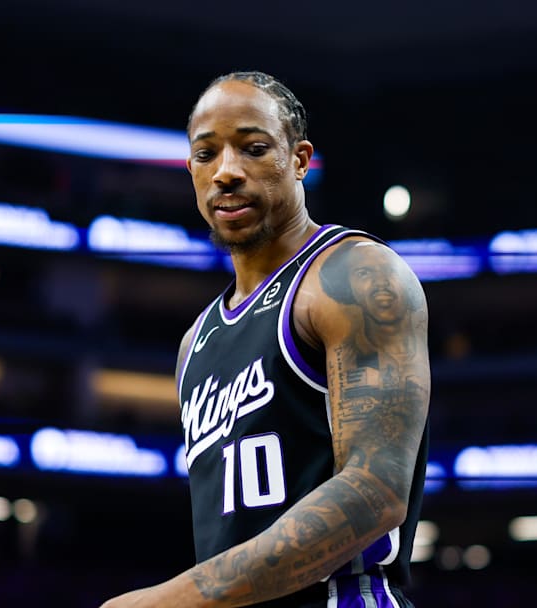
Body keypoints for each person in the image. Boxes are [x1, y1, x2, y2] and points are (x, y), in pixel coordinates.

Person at [100, 71, 430, 608]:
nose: (226, 172)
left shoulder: (352, 276)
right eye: (206, 156)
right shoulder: (195, 342)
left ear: (299, 159)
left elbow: (376, 491)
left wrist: (172, 600)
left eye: (253, 149)